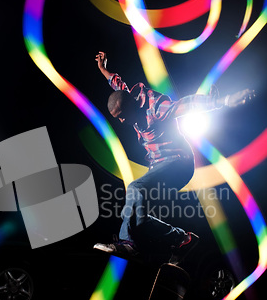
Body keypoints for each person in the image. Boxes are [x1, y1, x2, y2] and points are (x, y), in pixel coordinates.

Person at [93, 51, 255, 262]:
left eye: (123, 116)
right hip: (159, 167)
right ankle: (183, 239)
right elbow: (118, 84)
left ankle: (127, 244)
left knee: (135, 188)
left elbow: (186, 105)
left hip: (178, 163)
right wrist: (103, 69)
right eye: (118, 118)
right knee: (138, 219)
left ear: (132, 106)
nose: (123, 122)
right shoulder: (127, 98)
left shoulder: (157, 108)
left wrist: (223, 100)